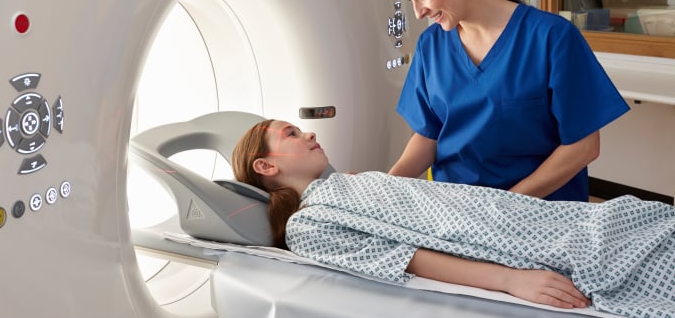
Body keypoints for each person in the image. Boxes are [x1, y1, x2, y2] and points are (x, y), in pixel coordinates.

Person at [232, 118, 675, 318]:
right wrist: (511, 280)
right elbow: (408, 258)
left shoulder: (352, 181)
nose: (308, 132)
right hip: (519, 246)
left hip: (521, 213)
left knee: (642, 220)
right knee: (632, 256)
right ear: (266, 167)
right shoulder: (307, 225)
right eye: (291, 133)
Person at [389, 0, 630, 201]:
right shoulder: (431, 46)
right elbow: (428, 136)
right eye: (411, 0)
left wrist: (506, 205)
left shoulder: (551, 37)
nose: (418, 12)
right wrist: (384, 186)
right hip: (456, 209)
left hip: (537, 210)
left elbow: (584, 146)